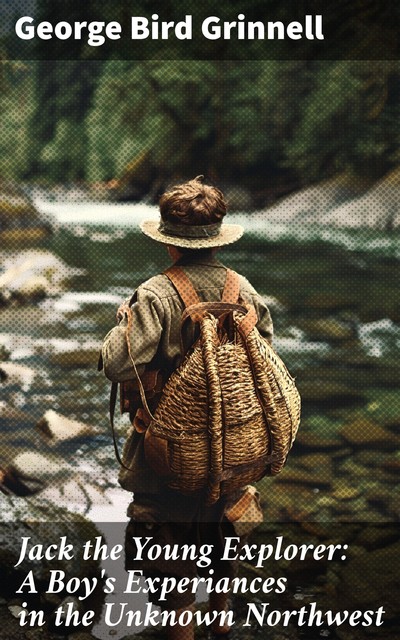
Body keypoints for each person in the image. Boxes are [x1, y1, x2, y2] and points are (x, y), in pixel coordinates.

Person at [101, 176, 273, 640]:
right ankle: (221, 626)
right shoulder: (244, 288)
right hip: (233, 449)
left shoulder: (155, 293)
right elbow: (267, 357)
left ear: (168, 242)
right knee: (221, 525)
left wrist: (125, 321)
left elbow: (117, 364)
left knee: (169, 554)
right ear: (217, 237)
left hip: (169, 451)